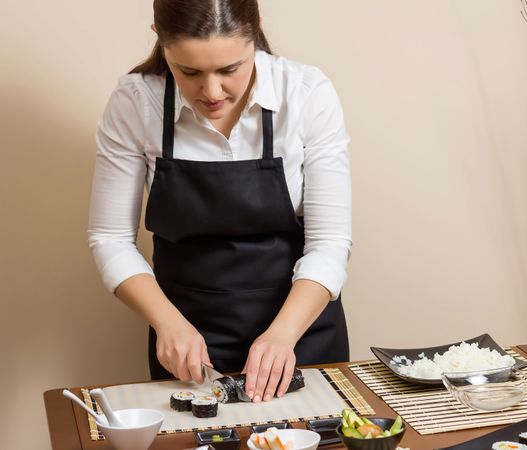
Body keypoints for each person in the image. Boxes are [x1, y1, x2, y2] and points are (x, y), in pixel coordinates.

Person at [88, 0, 351, 403]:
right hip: (187, 341)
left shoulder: (305, 93)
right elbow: (110, 237)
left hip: (300, 331)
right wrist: (168, 324)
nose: (212, 92)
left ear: (256, 31)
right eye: (189, 71)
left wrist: (282, 335)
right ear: (159, 37)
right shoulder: (136, 102)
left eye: (231, 69)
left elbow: (330, 242)